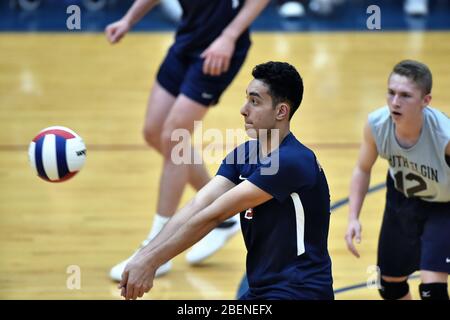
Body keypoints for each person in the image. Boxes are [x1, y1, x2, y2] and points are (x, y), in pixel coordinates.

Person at [118, 61, 334, 300]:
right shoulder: (244, 155)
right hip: (262, 291)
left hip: (300, 291)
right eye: (247, 99)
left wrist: (151, 262)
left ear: (281, 111)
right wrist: (143, 255)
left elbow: (215, 215)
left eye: (255, 101)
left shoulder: (291, 161)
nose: (243, 110)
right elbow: (198, 205)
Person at [105, 0, 271, 281]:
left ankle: (155, 252)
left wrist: (229, 37)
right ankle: (224, 214)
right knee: (154, 131)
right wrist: (129, 20)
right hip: (187, 39)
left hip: (219, 48)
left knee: (174, 138)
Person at [345, 60, 450, 300]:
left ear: (426, 101)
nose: (395, 102)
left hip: (444, 206)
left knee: (432, 289)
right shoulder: (376, 124)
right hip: (402, 200)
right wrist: (353, 217)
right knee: (390, 286)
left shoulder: (444, 135)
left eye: (405, 95)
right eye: (391, 93)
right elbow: (362, 169)